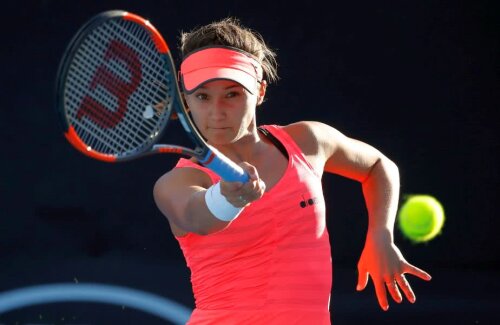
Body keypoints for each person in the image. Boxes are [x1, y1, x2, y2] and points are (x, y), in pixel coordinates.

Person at [153, 17, 431, 324]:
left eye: (232, 94)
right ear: (186, 101)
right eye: (203, 96)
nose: (217, 112)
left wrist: (381, 235)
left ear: (259, 92)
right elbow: (198, 217)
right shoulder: (178, 182)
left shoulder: (308, 141)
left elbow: (379, 166)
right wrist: (228, 197)